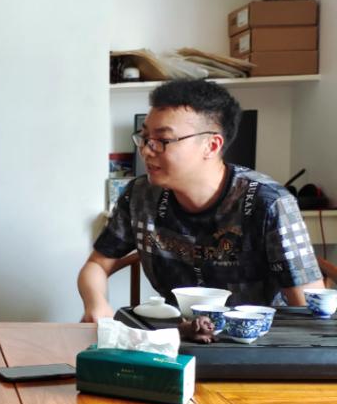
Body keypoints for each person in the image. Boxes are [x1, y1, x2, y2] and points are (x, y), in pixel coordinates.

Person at [79, 79, 324, 321]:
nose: (145, 150)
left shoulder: (269, 203)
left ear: (211, 145)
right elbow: (97, 265)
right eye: (144, 137)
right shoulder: (140, 196)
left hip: (256, 338)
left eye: (163, 140)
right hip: (177, 334)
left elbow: (309, 310)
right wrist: (96, 304)